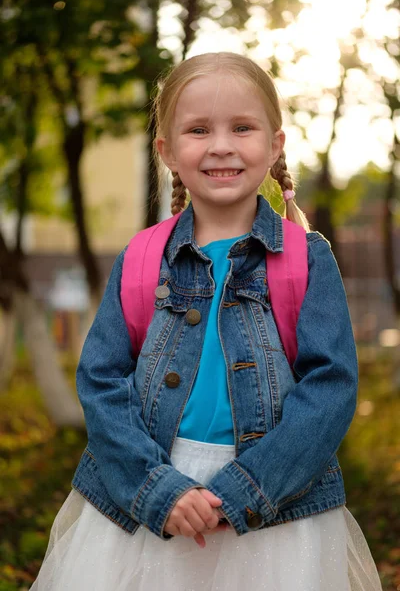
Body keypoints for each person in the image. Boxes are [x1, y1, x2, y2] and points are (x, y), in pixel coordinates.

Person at [30, 52, 383, 591]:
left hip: (275, 517)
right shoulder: (142, 259)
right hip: (145, 507)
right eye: (198, 130)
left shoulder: (305, 259)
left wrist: (245, 490)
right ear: (167, 151)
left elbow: (330, 389)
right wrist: (158, 491)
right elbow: (101, 381)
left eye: (242, 127)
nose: (221, 145)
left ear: (274, 145)